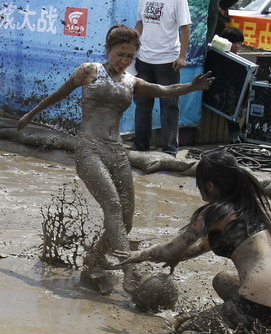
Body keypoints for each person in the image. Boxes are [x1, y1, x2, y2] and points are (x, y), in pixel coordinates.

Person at [17, 25, 213, 292]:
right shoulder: (89, 71)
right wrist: (30, 115)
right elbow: (60, 93)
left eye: (130, 57)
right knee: (112, 205)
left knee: (127, 218)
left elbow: (165, 90)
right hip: (89, 149)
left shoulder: (131, 82)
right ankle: (130, 270)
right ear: (108, 49)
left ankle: (94, 263)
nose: (124, 61)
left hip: (116, 152)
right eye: (120, 54)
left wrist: (191, 86)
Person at [114, 149, 271, 334]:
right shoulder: (251, 209)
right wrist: (179, 257)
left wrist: (136, 255)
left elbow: (169, 250)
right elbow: (204, 245)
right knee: (223, 279)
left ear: (210, 185)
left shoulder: (216, 213)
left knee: (184, 331)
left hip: (255, 308)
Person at [133, 0, 191, 157]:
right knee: (142, 104)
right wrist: (131, 48)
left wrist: (182, 56)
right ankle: (140, 146)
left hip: (168, 61)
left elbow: (185, 27)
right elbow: (140, 23)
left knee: (169, 106)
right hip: (144, 59)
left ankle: (170, 150)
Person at [221, 27, 247, 143]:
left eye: (239, 43)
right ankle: (235, 135)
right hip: (221, 93)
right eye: (234, 43)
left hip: (237, 91)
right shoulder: (219, 56)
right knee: (230, 98)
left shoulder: (239, 59)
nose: (237, 46)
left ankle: (246, 133)